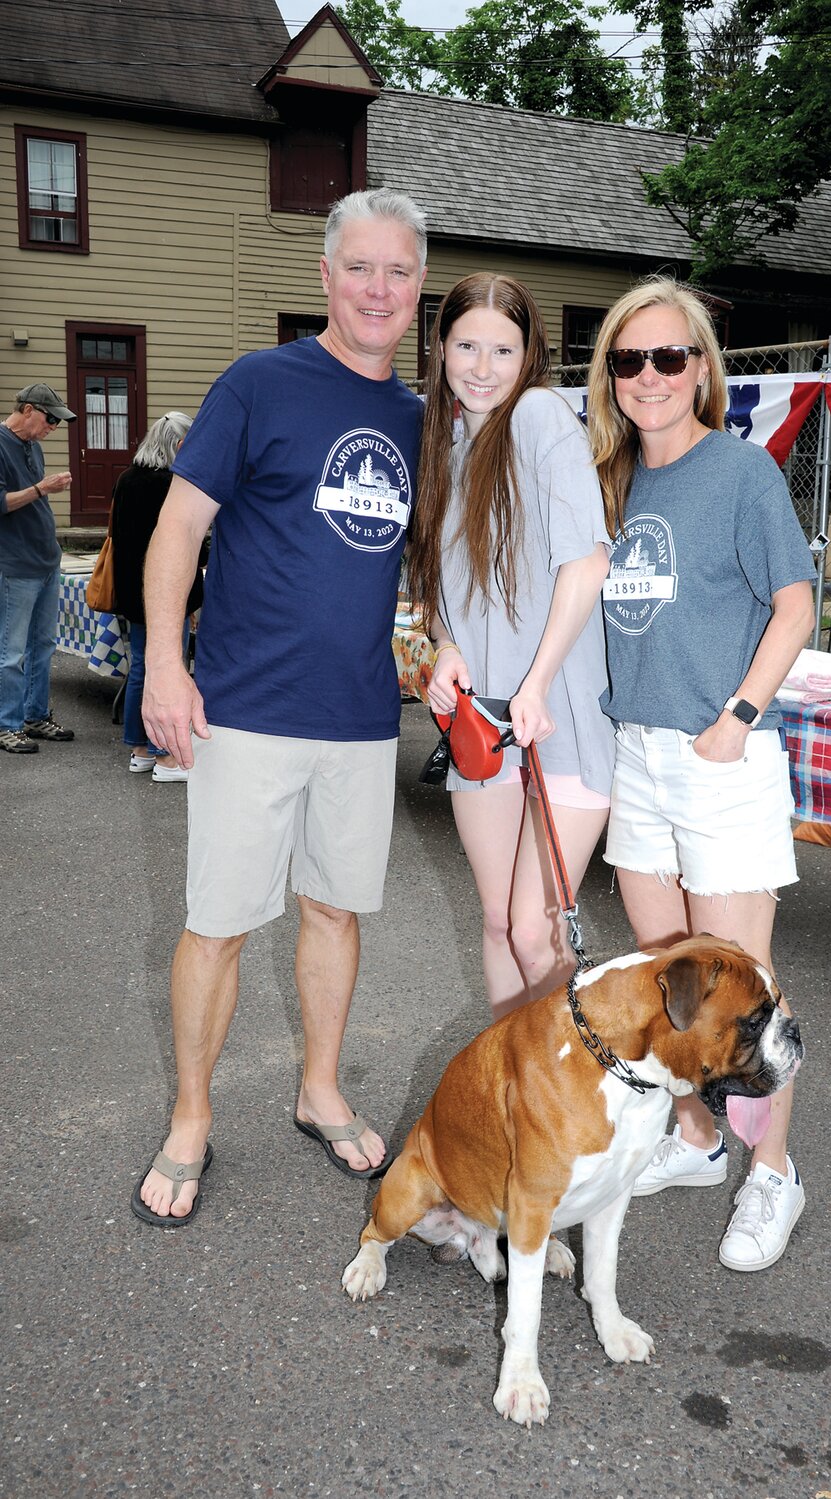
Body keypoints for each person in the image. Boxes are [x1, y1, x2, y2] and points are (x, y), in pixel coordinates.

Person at [131, 188, 427, 1227]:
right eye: (359, 267)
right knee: (218, 922)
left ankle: (319, 1088)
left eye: (397, 270)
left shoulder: (415, 416)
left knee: (333, 909)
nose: (377, 288)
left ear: (418, 284)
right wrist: (165, 666)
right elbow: (176, 531)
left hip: (357, 717)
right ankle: (191, 1115)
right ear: (325, 276)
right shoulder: (260, 382)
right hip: (245, 710)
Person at [586, 278, 816, 1272]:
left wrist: (738, 715)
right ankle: (693, 1137)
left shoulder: (739, 471)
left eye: (667, 357)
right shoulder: (612, 478)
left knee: (740, 991)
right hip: (634, 751)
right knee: (666, 969)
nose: (647, 377)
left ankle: (773, 1171)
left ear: (700, 368)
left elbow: (795, 606)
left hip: (716, 754)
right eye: (627, 359)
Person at [407, 273, 613, 1021]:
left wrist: (536, 682)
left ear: (530, 355)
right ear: (440, 347)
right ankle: (513, 1095)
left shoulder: (538, 415)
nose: (482, 366)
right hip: (482, 720)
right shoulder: (446, 438)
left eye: (503, 348)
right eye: (466, 345)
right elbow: (439, 595)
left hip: (554, 713)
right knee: (497, 922)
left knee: (536, 929)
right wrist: (448, 649)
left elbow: (587, 563)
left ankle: (569, 1102)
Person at [110, 411, 200, 782]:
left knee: (142, 669)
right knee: (168, 668)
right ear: (179, 446)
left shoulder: (126, 479)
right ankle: (166, 757)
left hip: (132, 591)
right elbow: (181, 547)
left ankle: (141, 750)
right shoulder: (171, 485)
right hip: (163, 592)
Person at [0, 382, 76, 754]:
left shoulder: (33, 445)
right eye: (50, 419)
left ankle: (34, 716)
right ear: (28, 409)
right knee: (11, 651)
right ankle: (7, 724)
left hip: (46, 559)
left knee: (43, 645)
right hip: (15, 564)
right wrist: (42, 489)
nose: (53, 427)